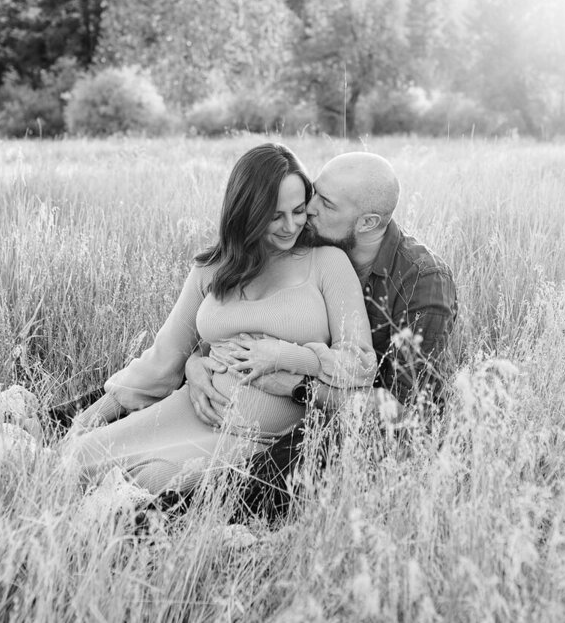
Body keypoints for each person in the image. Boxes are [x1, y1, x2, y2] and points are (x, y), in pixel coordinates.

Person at [59, 144, 376, 495]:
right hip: (190, 412)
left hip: (258, 438)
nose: (290, 226)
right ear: (247, 213)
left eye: (299, 211)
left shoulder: (327, 262)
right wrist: (84, 420)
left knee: (157, 482)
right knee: (74, 457)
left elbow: (359, 363)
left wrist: (286, 356)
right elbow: (164, 357)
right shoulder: (212, 267)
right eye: (275, 216)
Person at [183, 152, 458, 518]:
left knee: (301, 452)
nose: (307, 208)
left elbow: (403, 414)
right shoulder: (306, 239)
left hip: (347, 426)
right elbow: (237, 326)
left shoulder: (422, 282)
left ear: (367, 222)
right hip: (253, 411)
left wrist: (300, 386)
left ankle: (177, 518)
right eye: (315, 191)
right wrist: (195, 363)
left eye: (324, 203)